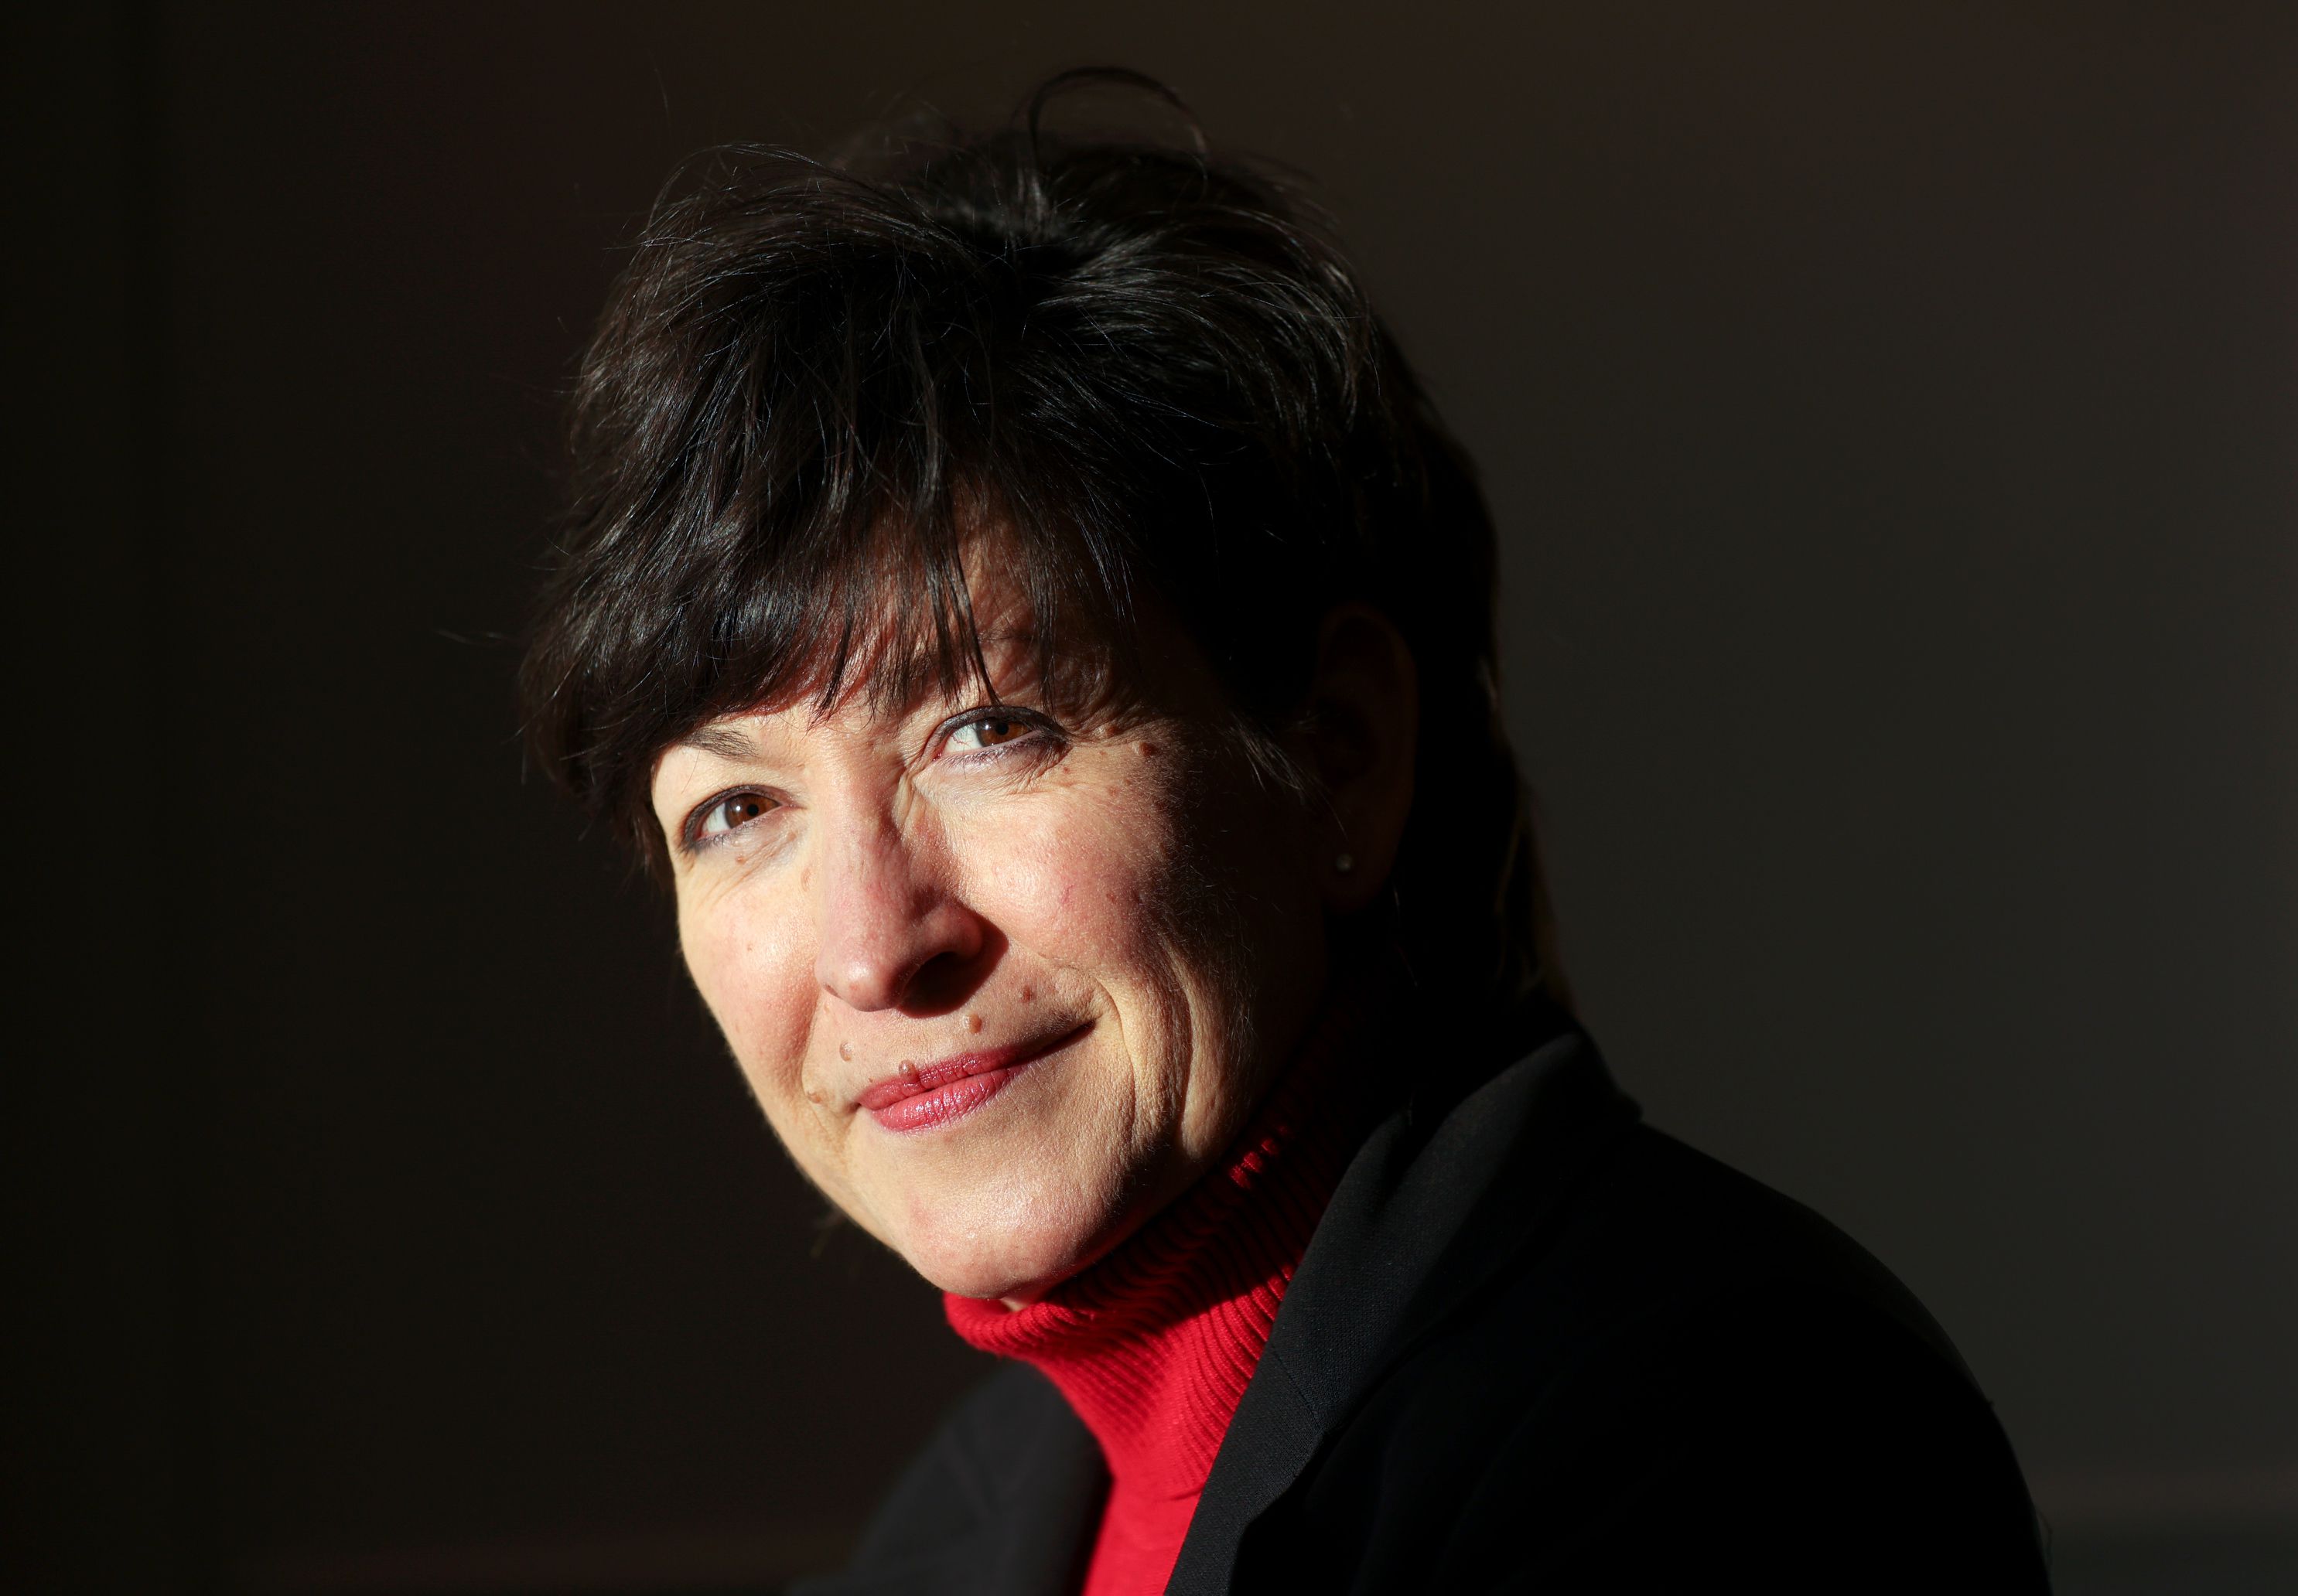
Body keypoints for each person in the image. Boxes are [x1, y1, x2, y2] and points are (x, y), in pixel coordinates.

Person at [520, 70, 2049, 1596]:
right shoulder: (962, 1532)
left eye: (989, 728)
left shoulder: (1727, 1440)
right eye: (736, 810)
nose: (872, 945)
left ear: (1339, 754)